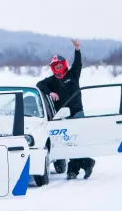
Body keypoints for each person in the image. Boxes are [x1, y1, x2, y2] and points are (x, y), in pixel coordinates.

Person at [36, 39, 96, 180]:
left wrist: (77, 49)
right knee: (69, 143)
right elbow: (39, 85)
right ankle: (85, 164)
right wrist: (50, 92)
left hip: (77, 113)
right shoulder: (52, 81)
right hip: (62, 116)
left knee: (76, 142)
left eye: (59, 65)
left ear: (63, 65)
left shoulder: (73, 74)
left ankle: (74, 170)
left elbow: (78, 63)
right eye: (55, 66)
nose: (57, 68)